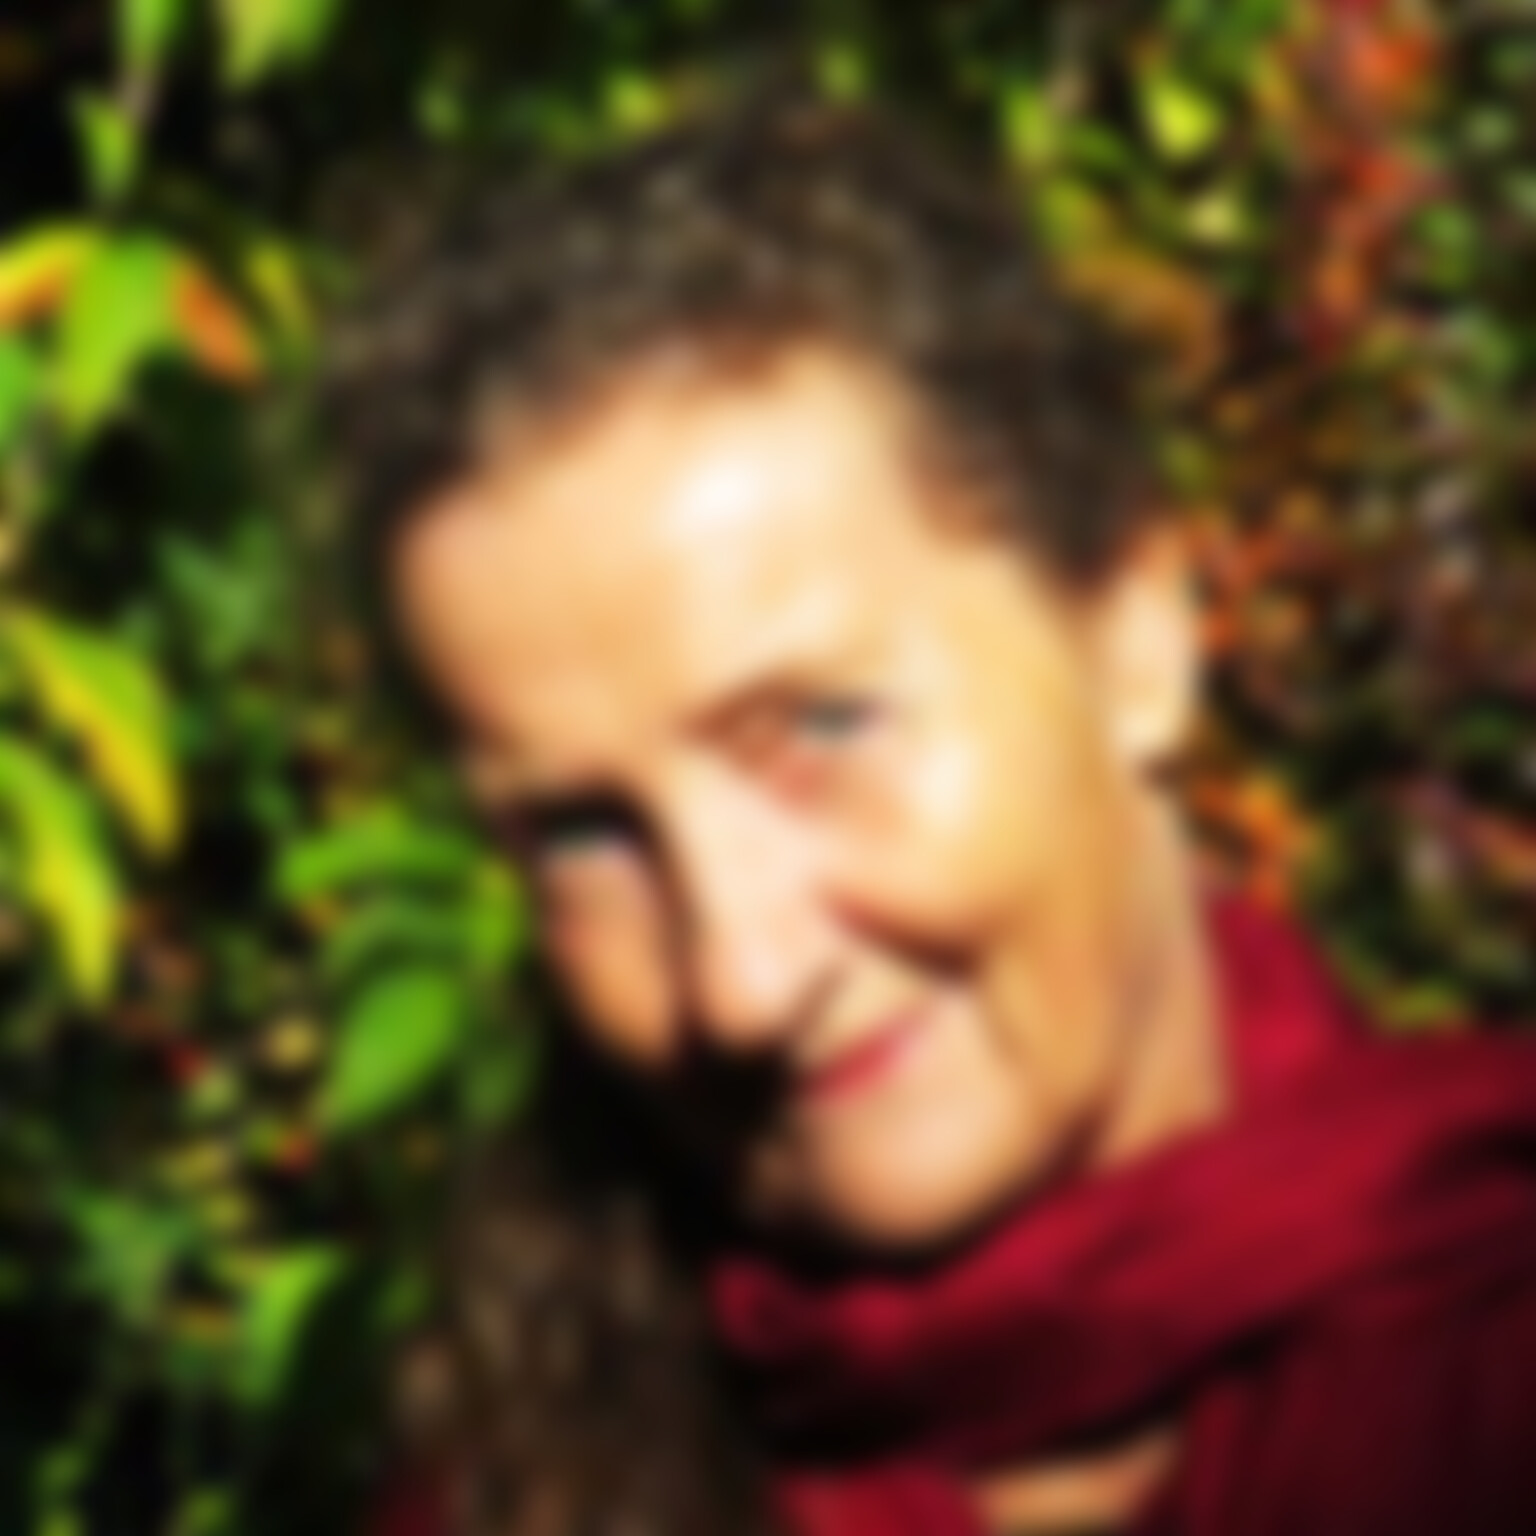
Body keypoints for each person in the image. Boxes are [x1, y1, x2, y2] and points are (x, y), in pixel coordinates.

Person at [334, 97, 1536, 1536]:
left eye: (823, 728)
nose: (740, 981)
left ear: (1135, 633)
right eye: (586, 837)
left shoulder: (1477, 1371)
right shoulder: (526, 1485)